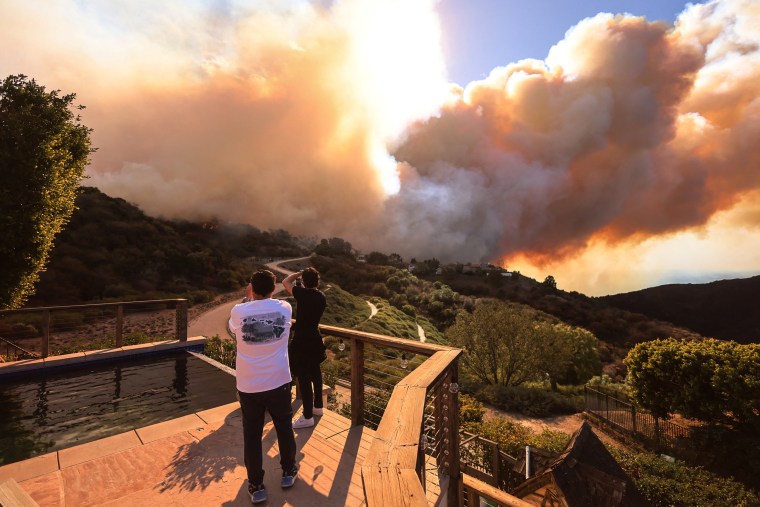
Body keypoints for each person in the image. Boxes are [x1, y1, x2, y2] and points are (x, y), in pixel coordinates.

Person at [229, 270, 298, 504]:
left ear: (251, 288)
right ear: (275, 285)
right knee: (284, 426)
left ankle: (256, 485)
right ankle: (288, 471)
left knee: (252, 434)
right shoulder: (284, 308)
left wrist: (249, 298)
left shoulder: (239, 311)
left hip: (250, 385)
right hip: (279, 380)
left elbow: (233, 330)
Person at [283, 267, 327, 429]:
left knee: (304, 377)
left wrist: (299, 273)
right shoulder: (321, 296)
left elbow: (285, 281)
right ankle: (318, 407)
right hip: (315, 338)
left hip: (302, 340)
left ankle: (307, 416)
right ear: (318, 282)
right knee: (315, 372)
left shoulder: (302, 294)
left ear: (303, 282)